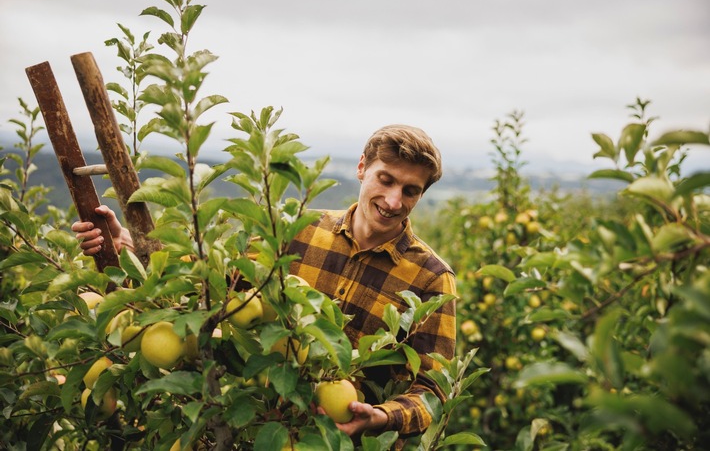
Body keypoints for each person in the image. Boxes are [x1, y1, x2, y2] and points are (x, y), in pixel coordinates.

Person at [72, 124, 457, 447]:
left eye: (410, 191)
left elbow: (433, 391)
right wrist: (130, 250)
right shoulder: (296, 230)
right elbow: (221, 285)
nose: (393, 200)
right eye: (385, 180)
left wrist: (380, 416)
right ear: (361, 168)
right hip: (255, 428)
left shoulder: (431, 278)